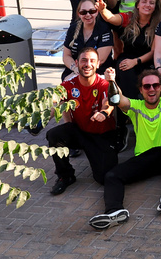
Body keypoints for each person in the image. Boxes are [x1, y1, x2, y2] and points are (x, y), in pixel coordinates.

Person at [89, 65, 161, 228]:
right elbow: (119, 99)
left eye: (155, 85)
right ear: (141, 90)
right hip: (145, 159)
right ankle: (114, 212)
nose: (151, 89)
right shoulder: (136, 106)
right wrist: (112, 81)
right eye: (147, 86)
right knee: (111, 176)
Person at [47, 48, 121, 194]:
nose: (88, 64)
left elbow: (109, 104)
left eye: (92, 61)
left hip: (102, 135)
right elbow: (54, 99)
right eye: (84, 60)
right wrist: (41, 117)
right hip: (80, 132)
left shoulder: (104, 84)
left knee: (103, 178)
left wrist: (104, 113)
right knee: (54, 135)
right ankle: (65, 176)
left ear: (98, 64)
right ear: (77, 63)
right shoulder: (70, 84)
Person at [100, 0, 161, 103]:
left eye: (151, 3)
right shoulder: (129, 17)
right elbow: (111, 18)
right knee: (125, 71)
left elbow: (154, 51)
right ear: (138, 5)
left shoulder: (159, 23)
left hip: (146, 60)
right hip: (127, 57)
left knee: (148, 79)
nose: (147, 5)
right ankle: (127, 111)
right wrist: (102, 10)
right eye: (144, 2)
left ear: (155, 7)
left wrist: (135, 61)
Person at [62, 0, 115, 78]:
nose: (88, 15)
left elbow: (100, 60)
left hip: (98, 71)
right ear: (79, 14)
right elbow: (66, 55)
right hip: (76, 70)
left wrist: (81, 71)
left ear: (97, 12)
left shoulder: (104, 29)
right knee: (67, 81)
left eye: (92, 11)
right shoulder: (73, 28)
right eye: (83, 12)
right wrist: (74, 68)